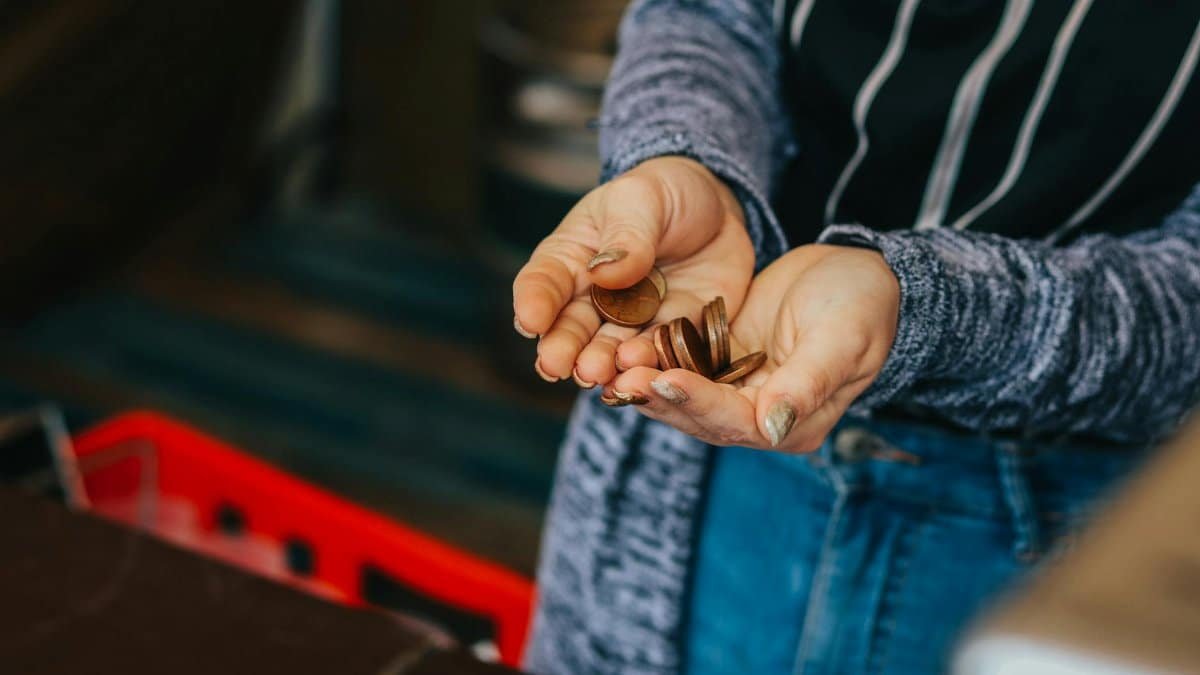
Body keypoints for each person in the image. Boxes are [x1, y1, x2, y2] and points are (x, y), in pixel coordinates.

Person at [511, 1, 1200, 673]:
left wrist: (925, 311)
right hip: (700, 437)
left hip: (1062, 532)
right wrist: (687, 159)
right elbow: (712, 14)